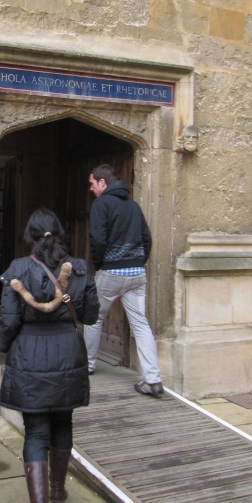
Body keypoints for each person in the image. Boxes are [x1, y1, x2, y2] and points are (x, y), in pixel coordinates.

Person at [0, 208, 99, 503]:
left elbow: (9, 321)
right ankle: (57, 489)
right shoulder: (80, 268)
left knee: (35, 430)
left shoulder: (17, 269)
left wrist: (7, 349)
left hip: (29, 353)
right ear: (60, 233)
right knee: (63, 422)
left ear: (30, 236)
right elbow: (91, 314)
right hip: (67, 351)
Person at [84, 164, 163, 398]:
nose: (90, 189)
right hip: (137, 273)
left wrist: (100, 265)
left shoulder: (101, 205)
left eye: (92, 184)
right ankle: (153, 379)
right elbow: (147, 239)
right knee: (141, 324)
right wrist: (138, 261)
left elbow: (97, 239)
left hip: (111, 273)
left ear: (102, 183)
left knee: (93, 318)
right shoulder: (134, 206)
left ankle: (88, 366)